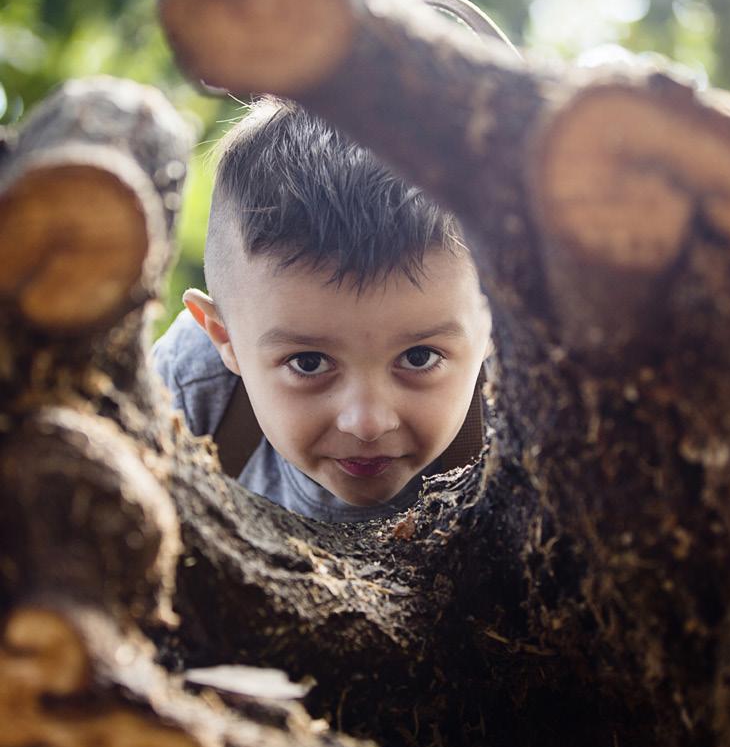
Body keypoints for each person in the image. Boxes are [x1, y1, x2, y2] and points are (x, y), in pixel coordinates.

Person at [153, 97, 493, 523]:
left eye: (419, 357)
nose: (366, 423)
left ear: (495, 324)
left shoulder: (532, 416)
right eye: (309, 362)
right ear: (224, 337)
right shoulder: (191, 391)